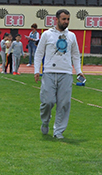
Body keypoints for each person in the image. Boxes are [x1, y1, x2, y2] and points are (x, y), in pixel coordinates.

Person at [34, 9, 84, 139]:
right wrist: (36, 71)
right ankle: (45, 121)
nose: (66, 22)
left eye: (68, 19)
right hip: (49, 72)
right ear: (56, 19)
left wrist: (78, 71)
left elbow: (75, 55)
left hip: (66, 73)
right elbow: (39, 53)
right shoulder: (47, 34)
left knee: (64, 104)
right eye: (63, 19)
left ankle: (58, 131)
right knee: (48, 101)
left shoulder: (71, 36)